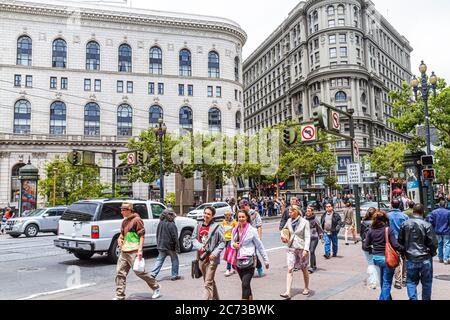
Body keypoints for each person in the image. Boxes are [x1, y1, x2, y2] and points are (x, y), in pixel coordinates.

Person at [114, 202, 160, 300]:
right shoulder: (124, 221)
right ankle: (119, 296)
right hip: (124, 251)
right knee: (120, 273)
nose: (121, 212)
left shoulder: (137, 220)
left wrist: (140, 250)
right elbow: (122, 234)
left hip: (134, 251)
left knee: (140, 272)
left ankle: (156, 286)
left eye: (123, 210)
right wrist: (119, 239)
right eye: (121, 209)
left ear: (129, 210)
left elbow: (142, 236)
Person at [398, 204, 438, 300]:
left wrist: (404, 254)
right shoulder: (427, 225)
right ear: (423, 212)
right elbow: (433, 243)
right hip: (425, 258)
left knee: (411, 281)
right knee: (427, 282)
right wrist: (432, 253)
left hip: (411, 257)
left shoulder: (405, 224)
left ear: (413, 211)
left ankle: (413, 298)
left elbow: (400, 242)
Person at [363, 210, 402, 300]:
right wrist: (403, 249)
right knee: (387, 282)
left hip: (376, 258)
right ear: (385, 220)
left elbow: (365, 246)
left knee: (383, 281)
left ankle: (385, 297)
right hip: (388, 259)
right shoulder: (388, 230)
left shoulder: (371, 231)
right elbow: (395, 245)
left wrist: (373, 250)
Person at [232, 210, 269, 300]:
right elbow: (231, 243)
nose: (241, 219)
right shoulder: (234, 229)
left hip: (250, 260)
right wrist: (233, 245)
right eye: (239, 217)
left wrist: (265, 260)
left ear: (247, 218)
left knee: (244, 284)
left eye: (243, 217)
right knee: (246, 285)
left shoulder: (252, 230)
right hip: (238, 260)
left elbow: (259, 246)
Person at [192, 206, 226, 300]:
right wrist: (199, 246)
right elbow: (193, 238)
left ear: (212, 216)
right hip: (201, 258)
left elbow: (223, 242)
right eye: (205, 213)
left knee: (207, 283)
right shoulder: (198, 225)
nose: (206, 215)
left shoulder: (217, 227)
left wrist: (215, 253)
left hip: (212, 259)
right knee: (208, 281)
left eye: (208, 214)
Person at [280, 205, 311, 299]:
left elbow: (307, 236)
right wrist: (283, 237)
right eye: (289, 212)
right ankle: (288, 292)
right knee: (290, 269)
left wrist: (306, 249)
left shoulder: (305, 222)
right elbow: (284, 230)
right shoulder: (289, 221)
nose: (289, 214)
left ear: (296, 211)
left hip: (301, 248)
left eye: (291, 212)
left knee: (304, 268)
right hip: (291, 247)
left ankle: (306, 287)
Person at [150, 209, 180, 281]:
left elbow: (158, 234)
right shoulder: (172, 224)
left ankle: (153, 274)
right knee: (175, 260)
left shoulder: (160, 223)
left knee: (159, 260)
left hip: (161, 245)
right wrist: (177, 248)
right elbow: (175, 237)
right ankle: (174, 275)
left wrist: (158, 243)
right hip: (170, 246)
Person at [388, 199, 409, 289]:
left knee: (396, 260)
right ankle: (404, 279)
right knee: (404, 260)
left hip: (392, 240)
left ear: (392, 205)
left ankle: (397, 281)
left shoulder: (388, 216)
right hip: (403, 240)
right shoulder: (404, 216)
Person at [360, 207, 379, 290]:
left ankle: (372, 281)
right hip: (377, 246)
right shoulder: (378, 222)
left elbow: (361, 235)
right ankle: (376, 280)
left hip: (366, 246)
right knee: (376, 263)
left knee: (370, 263)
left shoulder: (363, 223)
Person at [427, 200, 450, 264]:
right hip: (446, 231)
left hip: (437, 231)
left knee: (439, 244)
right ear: (445, 205)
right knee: (447, 244)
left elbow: (430, 221)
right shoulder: (448, 212)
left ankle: (440, 258)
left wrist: (434, 228)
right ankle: (446, 258)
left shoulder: (434, 212)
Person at [305, 206, 323, 274]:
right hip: (307, 238)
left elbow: (319, 228)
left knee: (312, 251)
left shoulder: (315, 219)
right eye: (307, 211)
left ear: (312, 212)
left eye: (309, 211)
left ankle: (311, 267)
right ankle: (314, 265)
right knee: (311, 252)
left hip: (314, 237)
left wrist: (321, 237)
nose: (308, 212)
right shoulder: (304, 219)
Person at [222, 210, 238, 277]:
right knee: (231, 254)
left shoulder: (234, 222)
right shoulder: (223, 222)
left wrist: (235, 239)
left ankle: (228, 269)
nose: (226, 216)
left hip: (231, 240)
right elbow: (222, 230)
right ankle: (234, 267)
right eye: (225, 215)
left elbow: (238, 229)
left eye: (227, 215)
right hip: (225, 240)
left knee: (229, 254)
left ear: (230, 215)